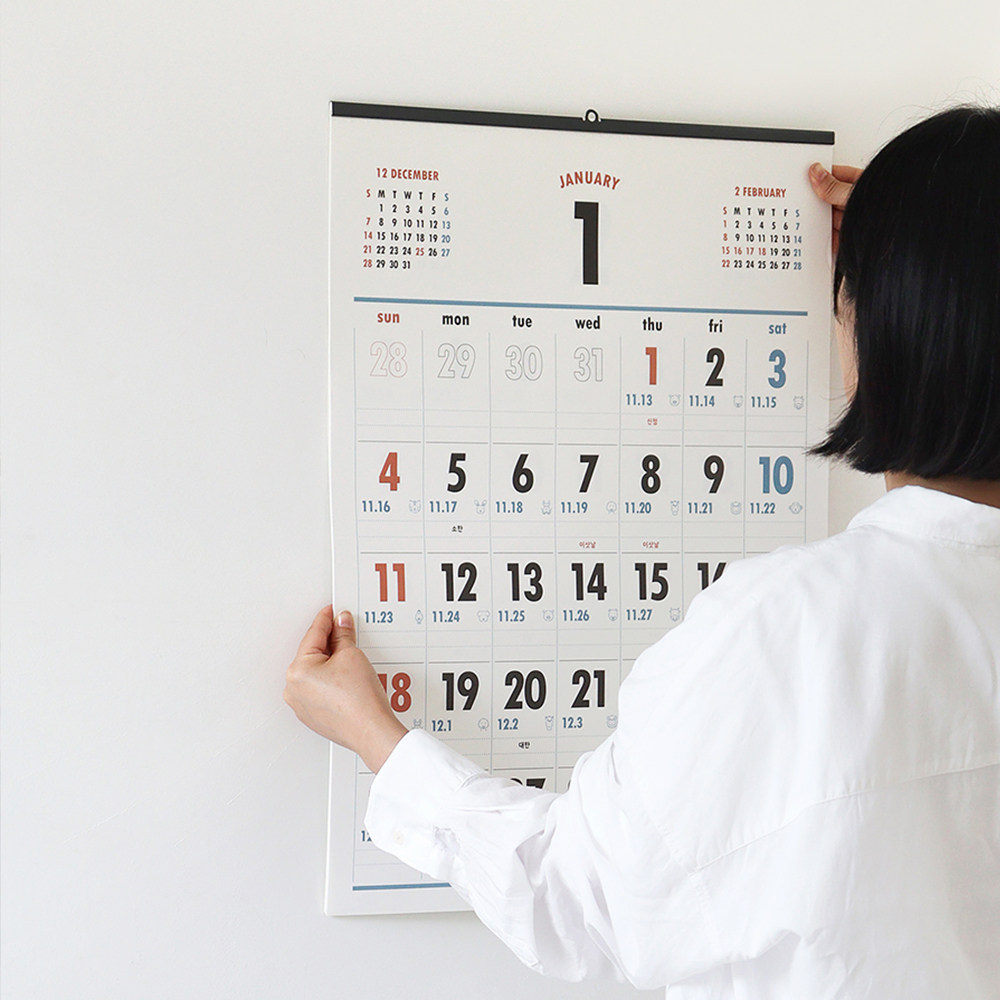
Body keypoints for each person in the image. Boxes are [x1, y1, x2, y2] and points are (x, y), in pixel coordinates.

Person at [285, 105, 1000, 997]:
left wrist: (373, 734)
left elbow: (579, 900)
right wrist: (932, 259)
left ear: (885, 324)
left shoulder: (788, 628)